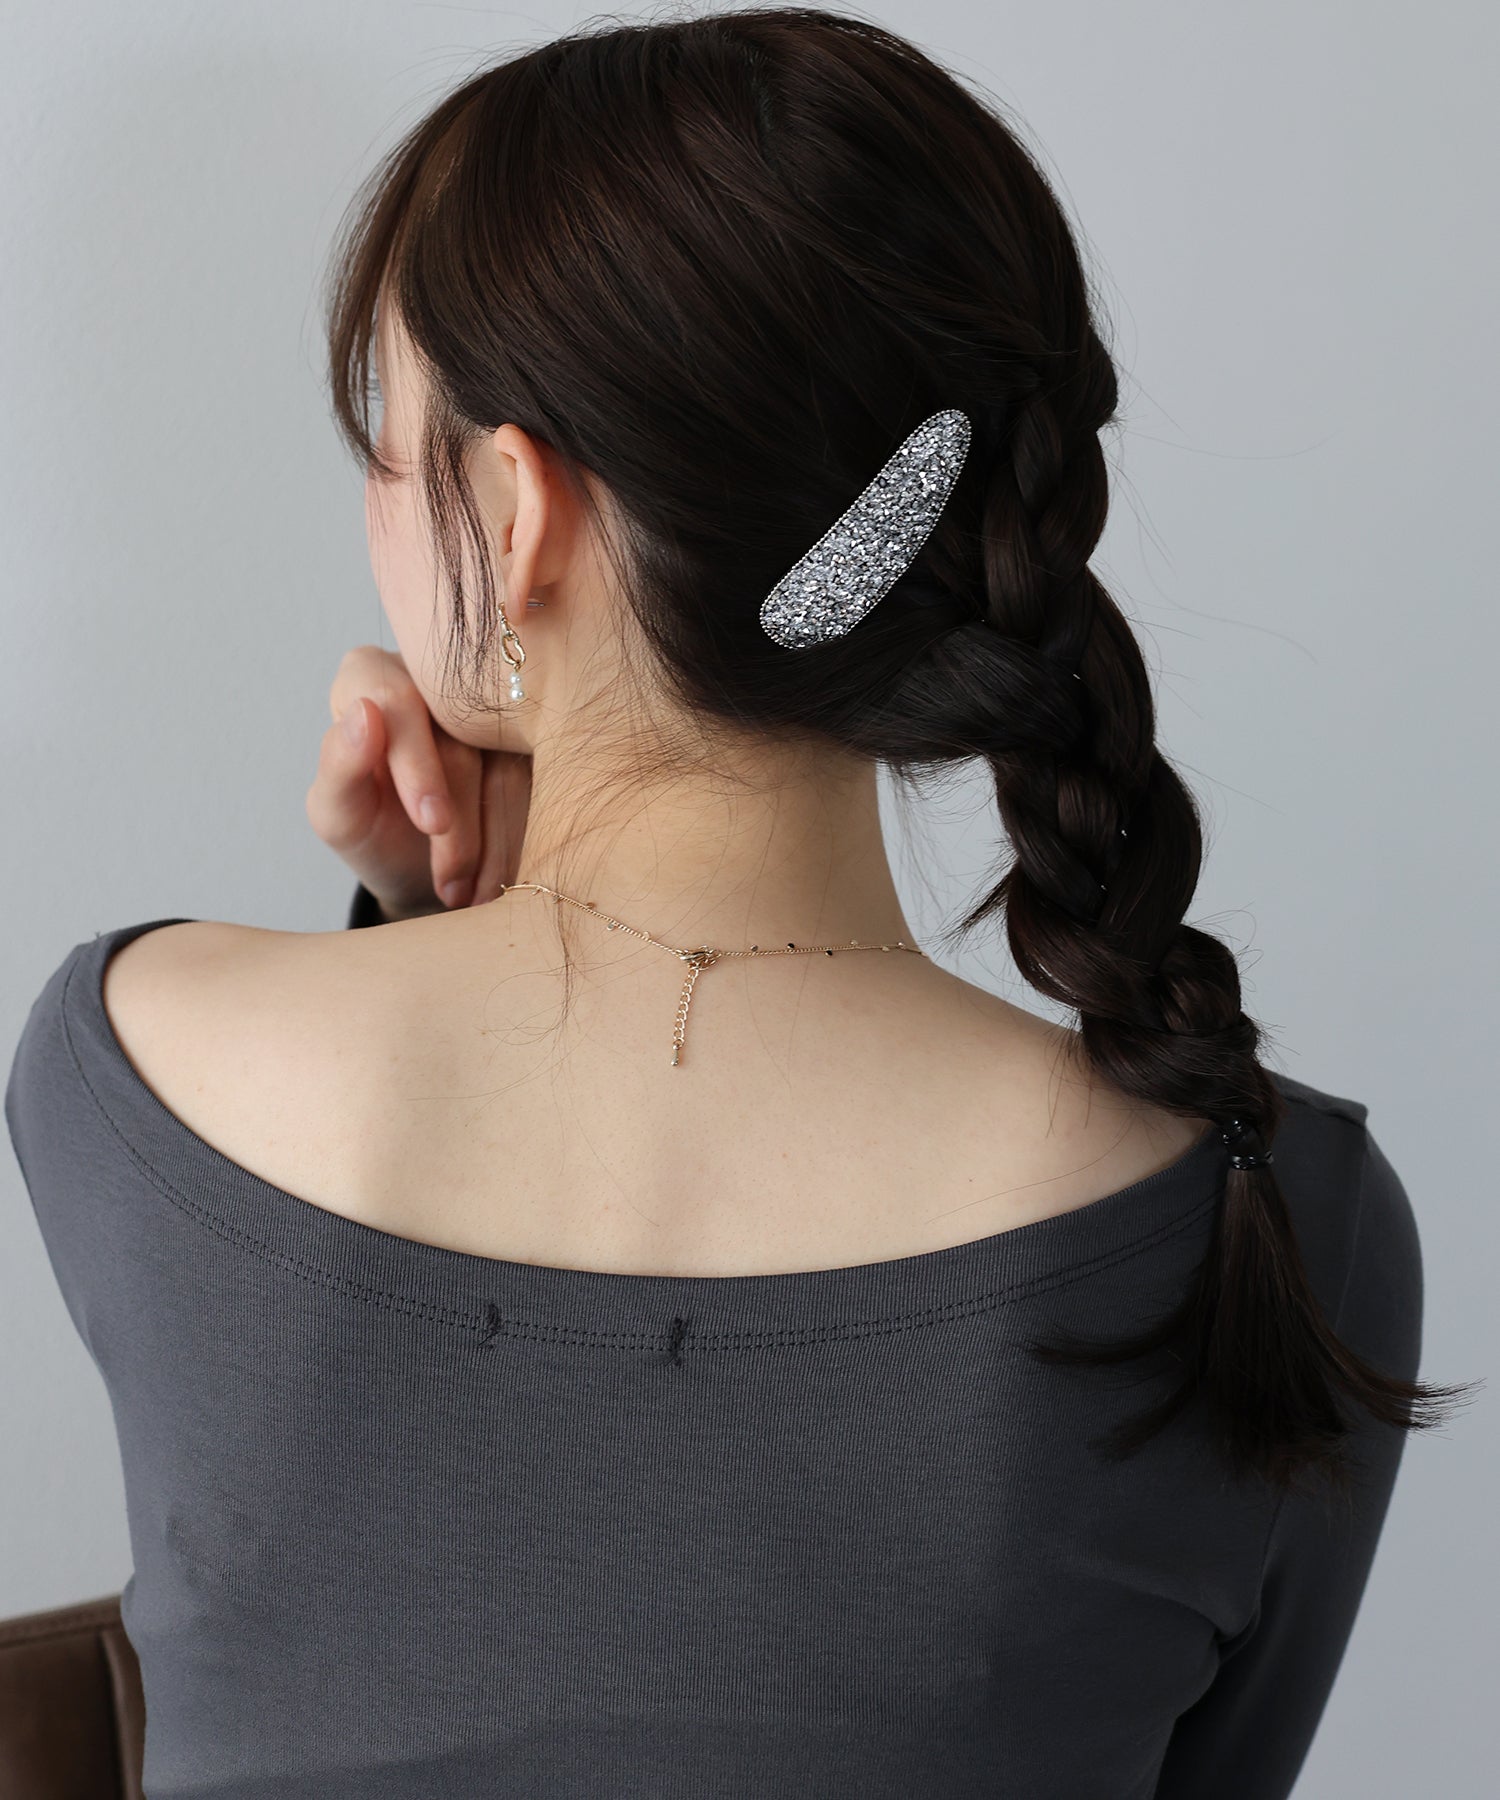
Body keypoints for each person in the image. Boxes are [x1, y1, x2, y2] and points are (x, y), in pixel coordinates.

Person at [4, 9, 1470, 1795]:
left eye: (388, 434)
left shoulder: (125, 1070)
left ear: (517, 510)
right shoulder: (1277, 1217)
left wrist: (434, 925)